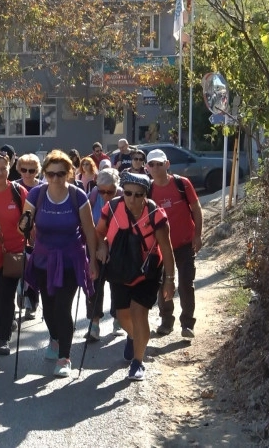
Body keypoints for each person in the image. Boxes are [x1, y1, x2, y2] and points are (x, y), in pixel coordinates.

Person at [20, 150, 98, 378]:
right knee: (48, 308)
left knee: (63, 308)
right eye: (51, 174)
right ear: (44, 174)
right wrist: (24, 224)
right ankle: (54, 338)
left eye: (60, 174)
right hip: (43, 259)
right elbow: (24, 225)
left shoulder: (77, 196)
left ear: (69, 173)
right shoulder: (36, 194)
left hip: (70, 260)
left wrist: (93, 260)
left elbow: (90, 231)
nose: (55, 178)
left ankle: (64, 357)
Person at [95, 172, 176, 381]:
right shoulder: (112, 208)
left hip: (147, 272)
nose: (132, 199)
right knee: (122, 315)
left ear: (145, 194)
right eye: (128, 193)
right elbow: (98, 232)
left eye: (138, 194)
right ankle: (134, 336)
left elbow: (167, 250)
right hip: (119, 269)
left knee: (139, 313)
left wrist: (169, 280)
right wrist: (102, 246)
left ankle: (137, 362)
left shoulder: (156, 215)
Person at [146, 149, 203, 338]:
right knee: (163, 284)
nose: (156, 167)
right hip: (161, 247)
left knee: (186, 284)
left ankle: (187, 324)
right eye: (152, 164)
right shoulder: (148, 190)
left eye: (159, 164)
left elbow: (196, 209)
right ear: (147, 167)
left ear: (167, 164)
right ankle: (166, 322)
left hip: (185, 244)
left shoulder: (182, 184)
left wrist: (197, 235)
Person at [0, 151, 28, 355]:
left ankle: (2, 339)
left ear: (9, 168)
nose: (0, 173)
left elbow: (30, 219)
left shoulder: (18, 191)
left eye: (3, 168)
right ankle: (9, 319)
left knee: (4, 296)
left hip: (14, 255)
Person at [84, 168, 123, 341]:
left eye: (110, 191)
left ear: (117, 187)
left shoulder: (125, 197)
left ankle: (118, 320)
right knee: (94, 285)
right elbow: (88, 224)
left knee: (118, 284)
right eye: (102, 191)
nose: (106, 195)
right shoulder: (92, 196)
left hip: (118, 247)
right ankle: (94, 325)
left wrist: (107, 246)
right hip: (94, 245)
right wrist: (100, 246)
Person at [13, 154, 42, 320]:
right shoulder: (15, 187)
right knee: (20, 268)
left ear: (37, 171)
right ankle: (20, 296)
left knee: (34, 269)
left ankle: (32, 303)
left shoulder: (43, 188)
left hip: (39, 235)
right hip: (19, 233)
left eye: (32, 170)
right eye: (24, 170)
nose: (27, 173)